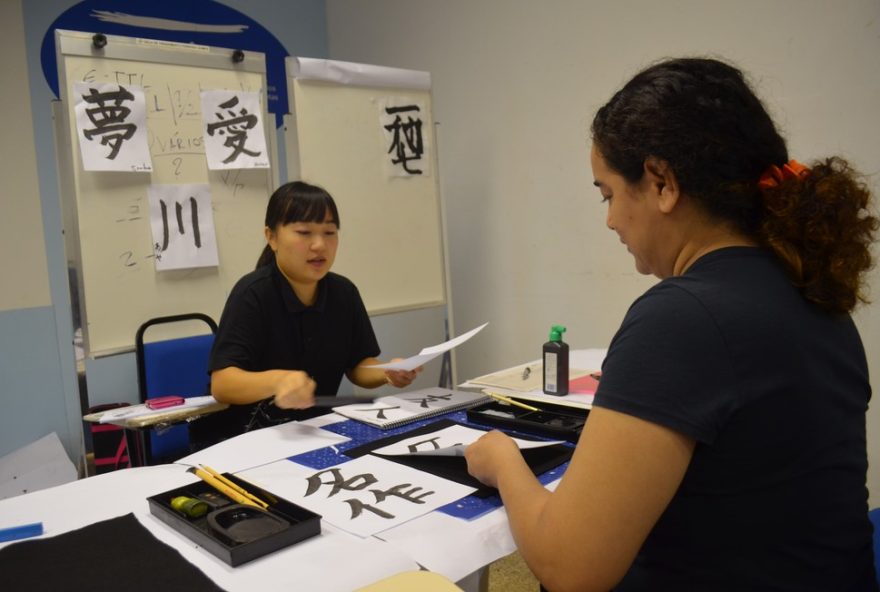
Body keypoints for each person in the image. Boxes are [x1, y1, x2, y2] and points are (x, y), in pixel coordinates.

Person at [465, 57, 878, 591]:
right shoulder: (814, 292)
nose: (610, 220)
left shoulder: (681, 316)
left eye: (609, 194)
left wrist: (502, 462)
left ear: (661, 182)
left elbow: (571, 568)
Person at [203, 181, 421, 439]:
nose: (319, 245)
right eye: (304, 232)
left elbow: (357, 365)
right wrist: (279, 381)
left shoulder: (344, 292)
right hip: (253, 438)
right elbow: (223, 383)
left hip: (318, 431)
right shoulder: (252, 293)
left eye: (329, 232)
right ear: (271, 237)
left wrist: (387, 371)